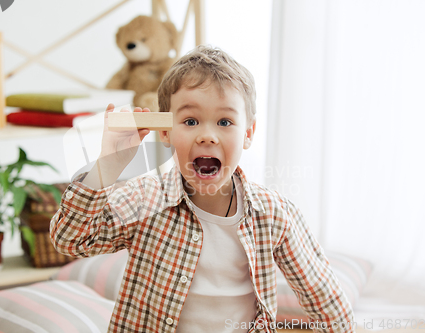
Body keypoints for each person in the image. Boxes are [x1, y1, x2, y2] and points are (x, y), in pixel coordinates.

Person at [50, 45, 355, 333]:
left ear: (248, 133)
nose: (207, 135)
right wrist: (108, 166)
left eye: (224, 121)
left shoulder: (275, 214)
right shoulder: (145, 198)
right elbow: (70, 240)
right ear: (166, 131)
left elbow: (326, 302)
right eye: (191, 120)